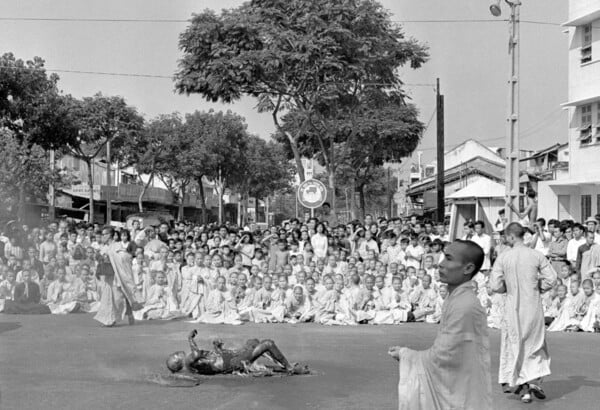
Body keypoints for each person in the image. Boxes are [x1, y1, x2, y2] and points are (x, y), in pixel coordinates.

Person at [388, 240, 492, 410]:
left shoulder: (464, 306)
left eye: (449, 259)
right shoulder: (456, 299)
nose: (441, 264)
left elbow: (444, 357)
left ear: (468, 268)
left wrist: (406, 354)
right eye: (443, 257)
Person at [490, 222, 557, 403]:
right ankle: (533, 381)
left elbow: (494, 285)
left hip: (513, 307)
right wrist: (536, 287)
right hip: (533, 305)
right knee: (535, 344)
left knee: (515, 345)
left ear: (511, 237)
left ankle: (524, 387)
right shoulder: (536, 255)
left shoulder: (503, 257)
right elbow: (552, 278)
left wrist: (507, 287)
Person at [166, 329, 309, 376]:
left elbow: (202, 357)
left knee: (253, 341)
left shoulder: (192, 364)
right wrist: (191, 340)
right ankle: (290, 368)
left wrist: (217, 347)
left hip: (230, 358)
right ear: (178, 361)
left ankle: (281, 363)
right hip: (234, 362)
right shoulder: (188, 362)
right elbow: (196, 354)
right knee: (267, 344)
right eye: (174, 356)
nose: (176, 353)